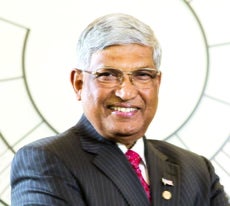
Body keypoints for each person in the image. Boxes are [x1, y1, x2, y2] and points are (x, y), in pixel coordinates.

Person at [10, 13, 229, 206]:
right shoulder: (46, 160)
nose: (125, 92)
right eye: (107, 75)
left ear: (157, 83)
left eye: (142, 75)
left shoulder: (195, 170)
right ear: (78, 83)